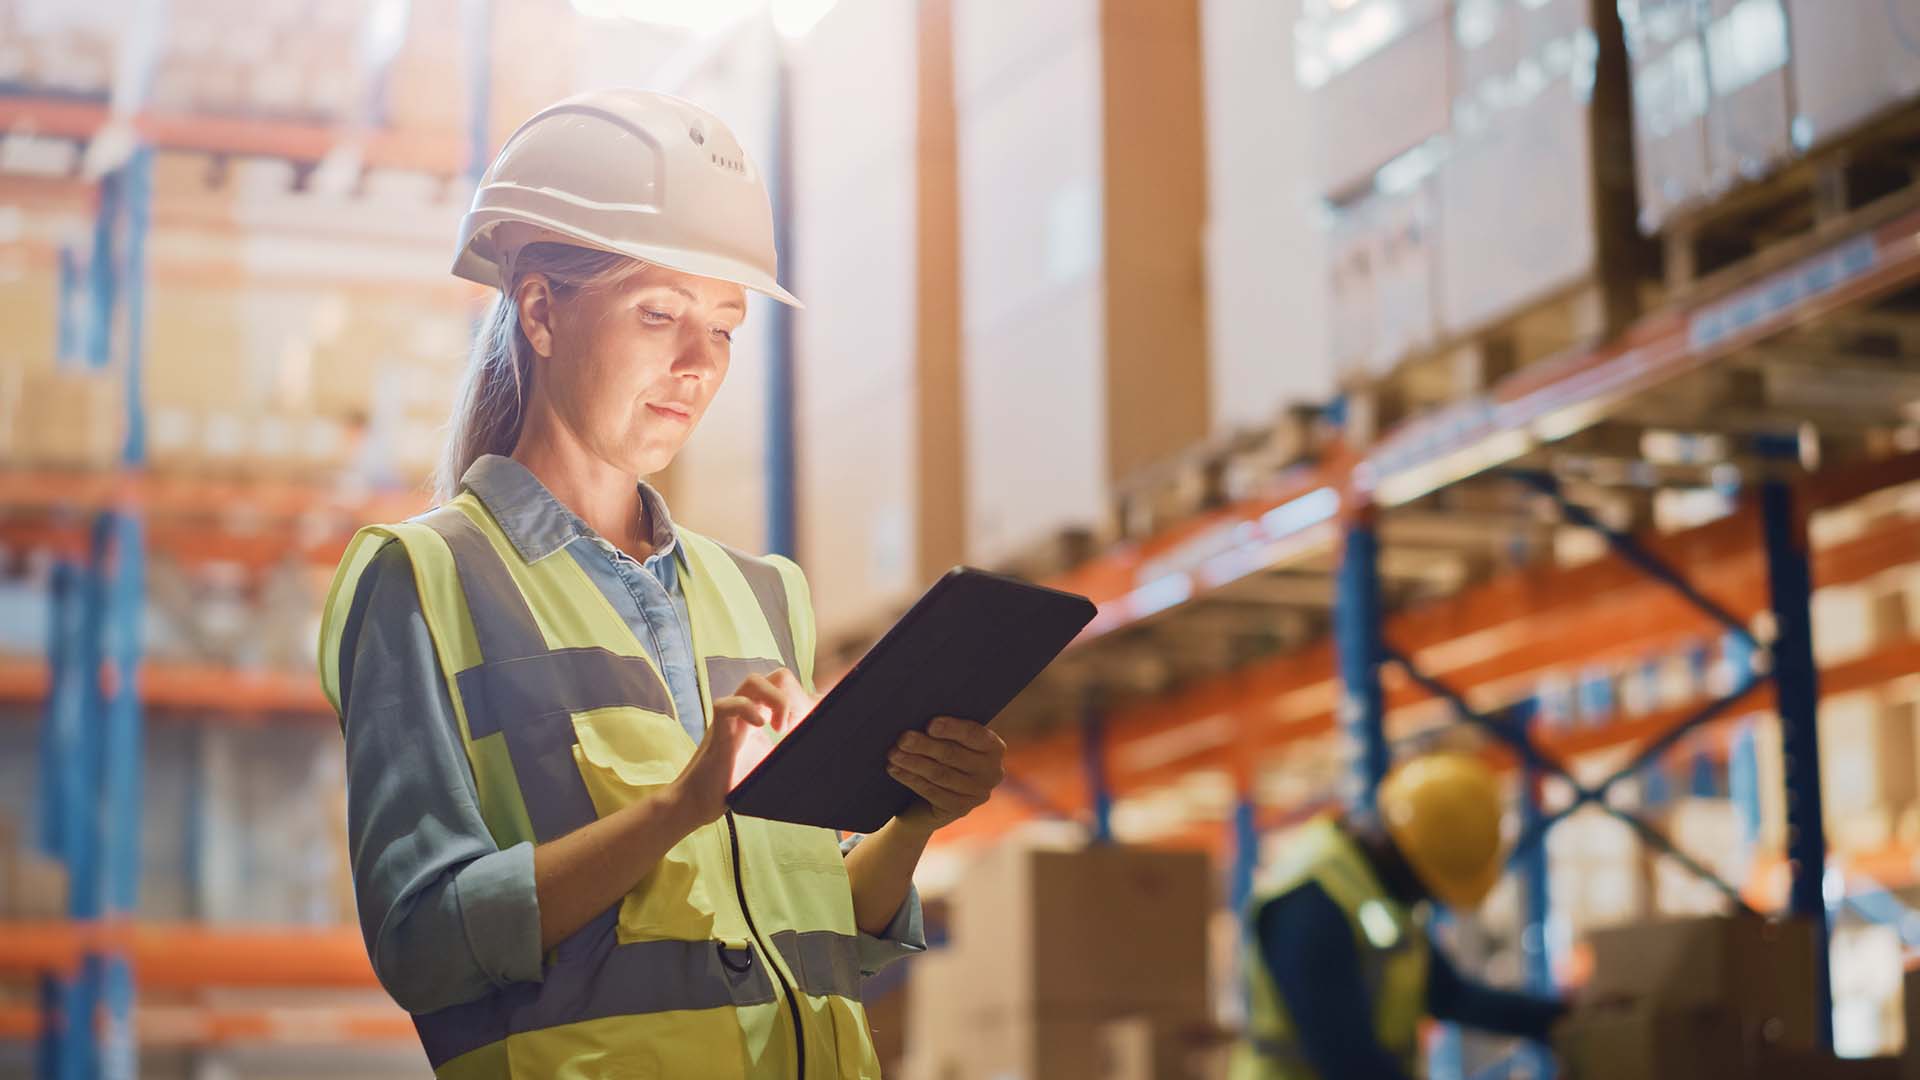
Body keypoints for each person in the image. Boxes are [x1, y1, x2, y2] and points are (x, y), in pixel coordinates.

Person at [317, 89, 1007, 1078]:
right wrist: (677, 810)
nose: (699, 364)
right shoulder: (426, 581)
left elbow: (818, 929)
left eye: (724, 328)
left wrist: (918, 816)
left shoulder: (765, 596)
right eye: (660, 315)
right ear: (543, 312)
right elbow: (425, 941)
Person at [1231, 753, 1567, 1080]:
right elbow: (1347, 1058)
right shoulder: (1311, 905)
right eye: (1428, 886)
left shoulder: (1378, 895)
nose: (1429, 899)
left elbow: (1448, 995)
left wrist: (1563, 1019)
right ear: (1404, 857)